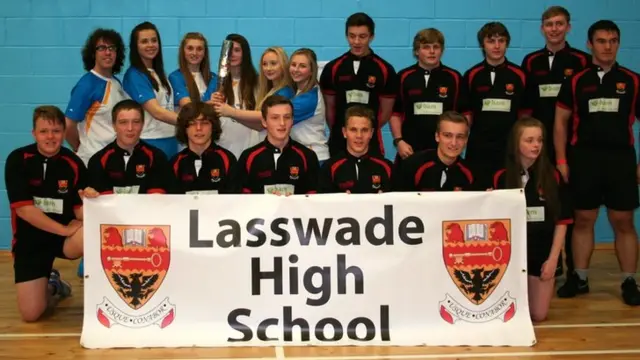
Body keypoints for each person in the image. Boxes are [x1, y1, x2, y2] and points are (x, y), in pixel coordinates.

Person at [553, 20, 640, 305]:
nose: (607, 46)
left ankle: (629, 280)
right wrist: (563, 160)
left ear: (618, 43)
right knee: (583, 219)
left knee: (623, 220)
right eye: (601, 41)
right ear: (590, 44)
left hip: (621, 160)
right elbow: (560, 122)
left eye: (613, 40)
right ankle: (580, 277)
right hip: (584, 159)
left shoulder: (632, 80)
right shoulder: (576, 80)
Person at [521, 5, 590, 280]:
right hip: (536, 147)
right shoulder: (530, 62)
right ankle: (548, 262)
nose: (554, 28)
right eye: (549, 24)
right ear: (542, 28)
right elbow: (526, 108)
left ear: (568, 27)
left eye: (559, 23)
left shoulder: (582, 61)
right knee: (541, 205)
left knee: (568, 206)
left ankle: (574, 269)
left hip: (571, 148)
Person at [4, 105, 86, 322]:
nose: (50, 137)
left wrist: (96, 206)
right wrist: (63, 229)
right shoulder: (17, 160)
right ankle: (53, 286)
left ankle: (102, 296)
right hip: (31, 242)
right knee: (31, 314)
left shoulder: (74, 163)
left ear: (63, 133)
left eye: (56, 131)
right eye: (43, 131)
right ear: (34, 133)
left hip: (64, 240)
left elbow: (79, 210)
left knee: (92, 232)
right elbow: (24, 210)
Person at [492, 116, 572, 322]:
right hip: (508, 255)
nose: (536, 145)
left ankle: (532, 281)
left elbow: (562, 221)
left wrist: (553, 259)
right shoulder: (500, 176)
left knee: (538, 314)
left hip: (541, 253)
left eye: (540, 140)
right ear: (516, 142)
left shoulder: (552, 175)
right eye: (529, 140)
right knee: (509, 313)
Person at [463, 22, 530, 189]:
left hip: (510, 148)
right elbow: (467, 114)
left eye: (501, 40)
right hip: (479, 148)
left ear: (507, 43)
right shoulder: (471, 75)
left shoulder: (520, 75)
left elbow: (525, 115)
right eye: (491, 41)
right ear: (482, 45)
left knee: (508, 195)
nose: (497, 46)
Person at [320, 12, 397, 157]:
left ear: (371, 37)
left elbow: (386, 113)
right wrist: (343, 130)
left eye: (362, 36)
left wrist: (365, 130)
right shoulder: (333, 68)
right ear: (346, 36)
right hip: (339, 140)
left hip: (371, 141)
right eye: (352, 36)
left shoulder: (385, 69)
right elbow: (330, 110)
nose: (356, 41)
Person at [390, 28, 469, 162]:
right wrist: (399, 141)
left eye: (436, 47)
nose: (432, 52)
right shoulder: (403, 77)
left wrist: (457, 142)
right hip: (409, 150)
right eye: (426, 47)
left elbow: (466, 114)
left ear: (441, 50)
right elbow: (395, 113)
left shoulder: (454, 78)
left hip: (445, 151)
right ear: (416, 51)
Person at [65, 28, 128, 166]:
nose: (108, 52)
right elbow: (68, 126)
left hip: (114, 160)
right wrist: (81, 148)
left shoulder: (116, 82)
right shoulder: (86, 85)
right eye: (101, 48)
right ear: (93, 53)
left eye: (112, 48)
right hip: (91, 161)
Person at [84, 99, 173, 196]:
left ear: (142, 124)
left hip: (145, 211)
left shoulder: (157, 157)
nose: (130, 128)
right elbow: (102, 203)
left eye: (136, 122)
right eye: (123, 122)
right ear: (114, 126)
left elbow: (157, 199)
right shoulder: (98, 160)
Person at [234, 95, 319, 195]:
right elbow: (240, 199)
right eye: (275, 118)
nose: (282, 123)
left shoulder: (308, 156)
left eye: (287, 117)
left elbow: (315, 197)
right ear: (264, 122)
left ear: (292, 121)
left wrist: (295, 202)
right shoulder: (248, 157)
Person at [123, 21, 178, 159]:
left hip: (171, 139)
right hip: (150, 141)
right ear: (135, 46)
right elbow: (156, 112)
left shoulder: (160, 73)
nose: (150, 45)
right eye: (144, 41)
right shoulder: (134, 75)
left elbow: (170, 108)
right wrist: (192, 121)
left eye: (154, 40)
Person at [318, 105, 393, 193]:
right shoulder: (329, 168)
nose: (359, 136)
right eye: (353, 130)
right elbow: (322, 204)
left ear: (371, 133)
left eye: (364, 130)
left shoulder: (386, 167)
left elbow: (398, 202)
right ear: (344, 132)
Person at [393, 111, 474, 192]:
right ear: (437, 136)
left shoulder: (470, 173)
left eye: (460, 137)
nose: (453, 143)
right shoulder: (412, 166)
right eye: (447, 135)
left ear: (466, 140)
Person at [170, 101, 237, 194]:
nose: (198, 128)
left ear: (213, 127)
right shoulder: (175, 163)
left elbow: (235, 201)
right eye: (192, 123)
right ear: (184, 128)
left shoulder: (228, 160)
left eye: (204, 123)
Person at [288, 48, 330, 164]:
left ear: (312, 71)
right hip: (303, 155)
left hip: (315, 157)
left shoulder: (309, 97)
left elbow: (269, 118)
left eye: (302, 66)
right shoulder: (298, 91)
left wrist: (233, 112)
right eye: (293, 65)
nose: (296, 69)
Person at [168, 32, 218, 109]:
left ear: (205, 52)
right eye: (190, 48)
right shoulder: (175, 77)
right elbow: (188, 107)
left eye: (199, 49)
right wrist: (208, 103)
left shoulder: (213, 77)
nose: (194, 53)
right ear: (183, 51)